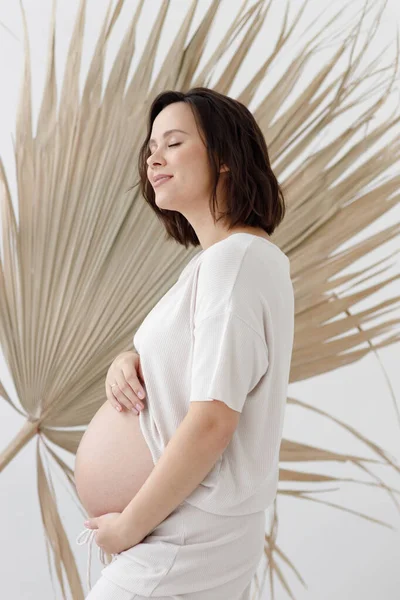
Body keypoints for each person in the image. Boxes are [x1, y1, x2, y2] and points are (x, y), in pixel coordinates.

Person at [79, 86, 295, 599]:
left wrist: (129, 526)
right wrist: (129, 360)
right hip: (184, 536)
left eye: (173, 143)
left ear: (224, 157)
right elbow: (198, 368)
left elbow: (213, 420)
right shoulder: (222, 264)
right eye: (151, 146)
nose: (154, 156)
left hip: (184, 539)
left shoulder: (233, 261)